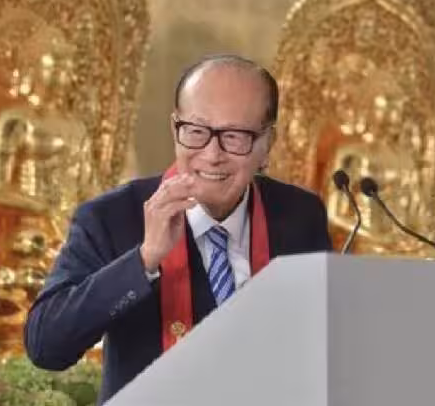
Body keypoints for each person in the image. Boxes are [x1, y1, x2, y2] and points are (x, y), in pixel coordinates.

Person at [23, 54, 333, 404]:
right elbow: (45, 347)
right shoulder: (111, 217)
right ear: (175, 129)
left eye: (235, 136)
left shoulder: (299, 215)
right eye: (197, 132)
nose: (212, 154)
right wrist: (144, 260)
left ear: (267, 143)